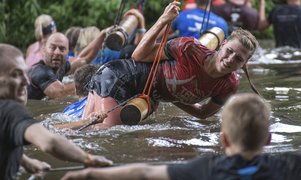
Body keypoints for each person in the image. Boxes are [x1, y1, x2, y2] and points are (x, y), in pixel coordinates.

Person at [57, 1, 259, 129]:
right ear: (222, 45)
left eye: (239, 59)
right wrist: (163, 19)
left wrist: (170, 95)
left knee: (88, 130)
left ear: (245, 64)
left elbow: (203, 113)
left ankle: (51, 129)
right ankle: (43, 133)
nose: (231, 59)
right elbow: (138, 55)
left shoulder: (229, 85)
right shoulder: (189, 48)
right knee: (101, 135)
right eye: (229, 51)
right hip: (119, 77)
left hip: (144, 96)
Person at [61, 93, 301, 180]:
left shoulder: (206, 169)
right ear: (268, 139)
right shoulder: (289, 166)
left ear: (223, 140)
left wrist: (91, 174)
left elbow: (143, 173)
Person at [0, 44, 113, 180]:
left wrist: (26, 161)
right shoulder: (10, 109)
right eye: (16, 74)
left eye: (24, 73)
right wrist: (88, 158)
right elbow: (50, 142)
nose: (26, 81)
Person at [27, 26, 111, 100]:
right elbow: (60, 93)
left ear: (68, 52)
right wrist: (92, 80)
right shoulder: (39, 71)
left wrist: (102, 35)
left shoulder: (61, 66)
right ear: (43, 50)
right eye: (52, 48)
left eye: (62, 49)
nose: (57, 52)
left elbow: (84, 58)